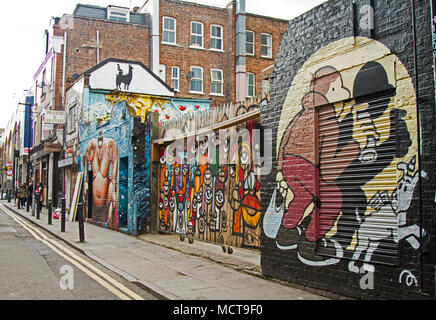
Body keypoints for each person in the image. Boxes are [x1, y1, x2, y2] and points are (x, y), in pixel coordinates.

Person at [84, 131, 119, 229]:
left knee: (107, 215)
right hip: (93, 192)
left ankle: (107, 224)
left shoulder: (111, 144)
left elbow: (115, 166)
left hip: (105, 192)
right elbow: (86, 163)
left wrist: (113, 190)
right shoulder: (90, 144)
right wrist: (86, 182)